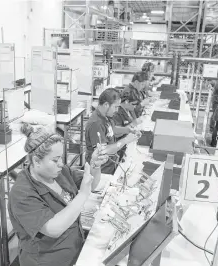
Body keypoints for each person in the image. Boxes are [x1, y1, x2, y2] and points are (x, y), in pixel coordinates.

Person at [8, 124, 109, 266]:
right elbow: (53, 228)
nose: (61, 164)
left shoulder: (59, 172)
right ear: (36, 161)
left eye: (61, 158)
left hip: (74, 251)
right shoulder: (22, 192)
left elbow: (91, 184)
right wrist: (83, 195)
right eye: (55, 160)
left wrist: (95, 165)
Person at [85, 88, 140, 174]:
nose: (117, 110)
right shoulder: (96, 123)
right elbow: (103, 151)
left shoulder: (106, 116)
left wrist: (128, 130)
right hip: (101, 171)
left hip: (110, 164)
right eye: (115, 107)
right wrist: (125, 140)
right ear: (106, 104)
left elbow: (112, 130)